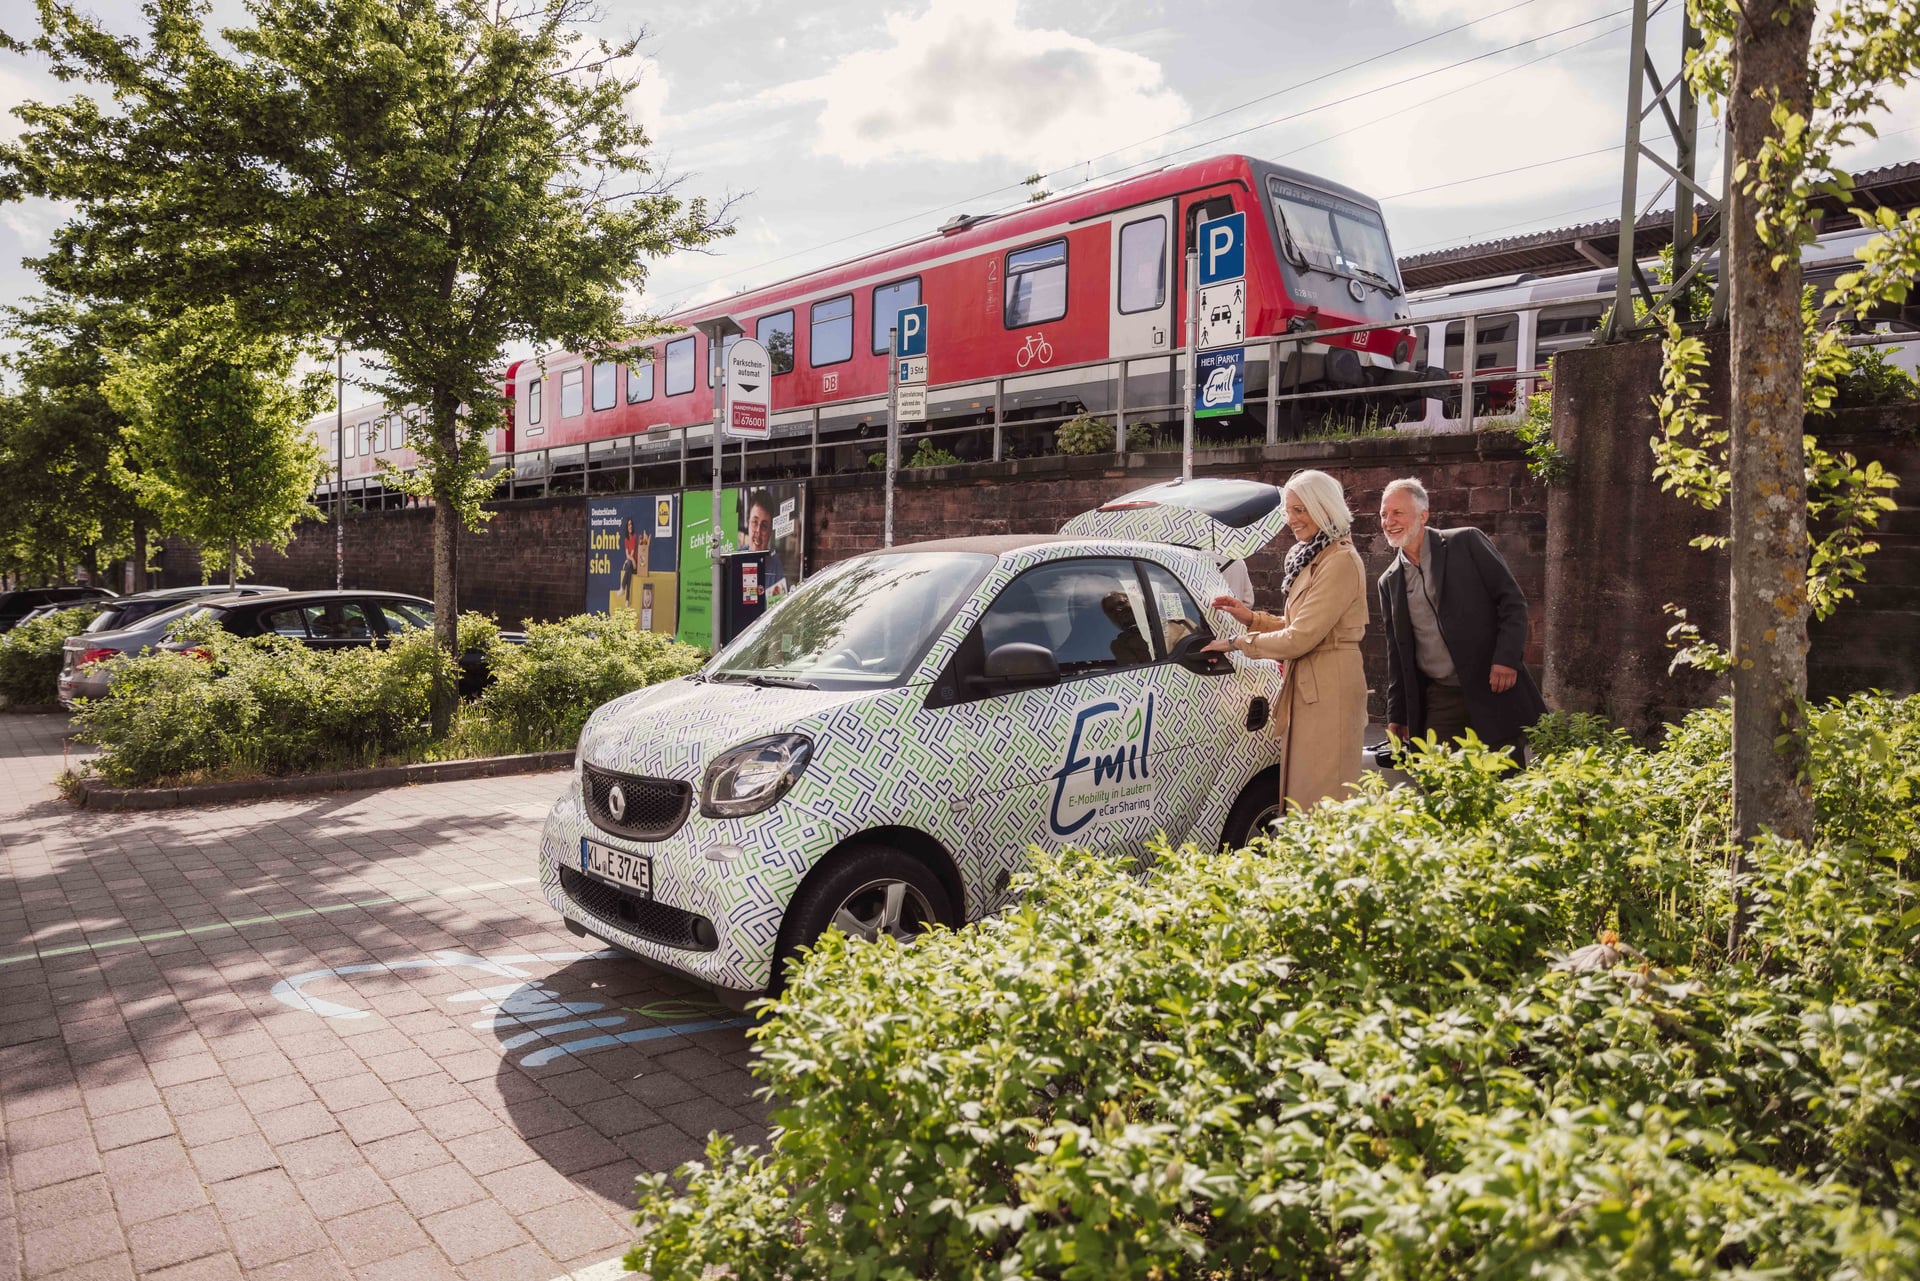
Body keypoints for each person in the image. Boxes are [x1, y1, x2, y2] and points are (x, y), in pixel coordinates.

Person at [1203, 469, 1369, 813]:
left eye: (1300, 509)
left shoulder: (1339, 560)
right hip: (1315, 685)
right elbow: (1301, 626)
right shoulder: (1317, 556)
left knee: (1323, 801)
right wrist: (1252, 618)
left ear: (1325, 508)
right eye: (1289, 510)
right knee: (1306, 798)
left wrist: (1237, 642)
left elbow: (1300, 637)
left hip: (1329, 689)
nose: (1291, 520)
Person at [1376, 476, 1547, 763]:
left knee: (1503, 778)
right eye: (1383, 514)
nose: (1388, 521)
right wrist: (1397, 714)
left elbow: (1512, 601)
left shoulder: (1465, 542)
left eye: (1397, 513)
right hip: (1440, 696)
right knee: (1435, 779)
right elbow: (1397, 653)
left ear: (1423, 515)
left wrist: (1506, 659)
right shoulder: (1388, 581)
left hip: (1491, 685)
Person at [744, 489, 790, 599]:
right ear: (748, 523)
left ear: (770, 531)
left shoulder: (775, 567)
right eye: (755, 522)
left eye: (764, 526)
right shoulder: (736, 560)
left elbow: (777, 610)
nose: (758, 531)